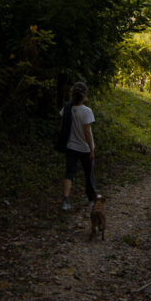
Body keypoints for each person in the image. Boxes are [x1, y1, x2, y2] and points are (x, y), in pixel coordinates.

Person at [60, 81, 98, 211]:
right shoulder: (87, 111)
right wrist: (91, 150)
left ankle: (65, 200)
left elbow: (64, 125)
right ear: (85, 95)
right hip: (85, 148)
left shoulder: (66, 108)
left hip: (70, 147)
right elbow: (87, 132)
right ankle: (91, 200)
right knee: (88, 174)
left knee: (69, 173)